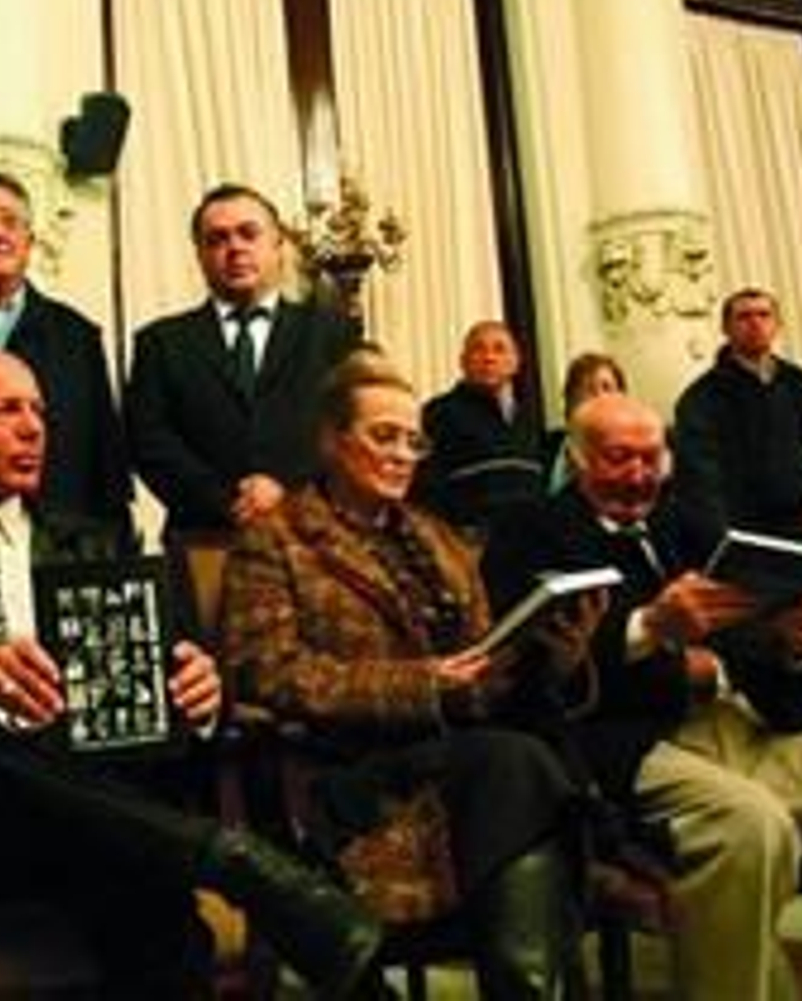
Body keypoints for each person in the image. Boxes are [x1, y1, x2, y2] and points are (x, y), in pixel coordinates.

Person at [0, 350, 382, 999]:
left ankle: (235, 875)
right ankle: (230, 859)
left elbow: (172, 686)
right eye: (5, 410)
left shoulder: (103, 545)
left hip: (101, 814)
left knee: (152, 904)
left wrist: (200, 692)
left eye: (38, 412)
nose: (32, 428)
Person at [482, 392, 802, 1001]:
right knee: (751, 829)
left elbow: (765, 663)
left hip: (742, 726)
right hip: (630, 745)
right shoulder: (529, 530)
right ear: (578, 459)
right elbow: (531, 676)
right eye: (619, 458)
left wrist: (800, 645)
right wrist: (650, 629)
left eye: (651, 458)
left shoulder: (689, 523)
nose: (638, 475)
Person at [221, 351, 595, 1001]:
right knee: (525, 771)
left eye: (413, 441)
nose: (401, 455)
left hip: (461, 766)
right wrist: (418, 684)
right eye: (383, 436)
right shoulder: (276, 540)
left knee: (519, 765)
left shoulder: (441, 539)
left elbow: (481, 671)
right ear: (333, 441)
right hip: (348, 778)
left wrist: (554, 655)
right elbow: (268, 673)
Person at [125, 183, 358, 534]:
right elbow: (150, 443)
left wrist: (285, 492)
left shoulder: (331, 334)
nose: (235, 247)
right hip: (203, 536)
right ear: (200, 255)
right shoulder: (160, 343)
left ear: (278, 245)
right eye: (217, 239)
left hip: (313, 535)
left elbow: (351, 430)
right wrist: (229, 502)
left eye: (248, 233)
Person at [0, 168, 131, 526]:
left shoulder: (77, 335)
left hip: (61, 535)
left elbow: (106, 459)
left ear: (30, 241)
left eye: (10, 222)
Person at [673, 287, 802, 546]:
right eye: (744, 316)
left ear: (777, 325)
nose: (755, 323)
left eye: (764, 315)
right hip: (743, 530)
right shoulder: (701, 398)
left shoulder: (795, 385)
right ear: (726, 328)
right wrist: (723, 536)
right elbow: (700, 478)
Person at [415, 321, 545, 539]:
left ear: (516, 362)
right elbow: (424, 490)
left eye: (499, 349)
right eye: (479, 349)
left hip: (530, 542)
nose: (489, 357)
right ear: (463, 361)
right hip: (467, 545)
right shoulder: (438, 413)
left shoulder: (528, 418)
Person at [544, 352, 627, 493]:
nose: (599, 396)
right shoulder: (544, 449)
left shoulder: (635, 455)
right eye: (588, 388)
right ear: (570, 400)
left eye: (607, 387)